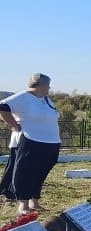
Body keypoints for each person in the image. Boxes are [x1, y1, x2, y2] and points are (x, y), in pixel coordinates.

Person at [0, 73, 62, 215]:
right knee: (26, 172)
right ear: (40, 85)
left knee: (40, 172)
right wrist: (14, 125)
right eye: (48, 84)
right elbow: (3, 107)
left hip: (50, 142)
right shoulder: (23, 97)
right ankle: (23, 204)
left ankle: (34, 201)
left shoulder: (45, 100)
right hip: (31, 140)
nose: (50, 87)